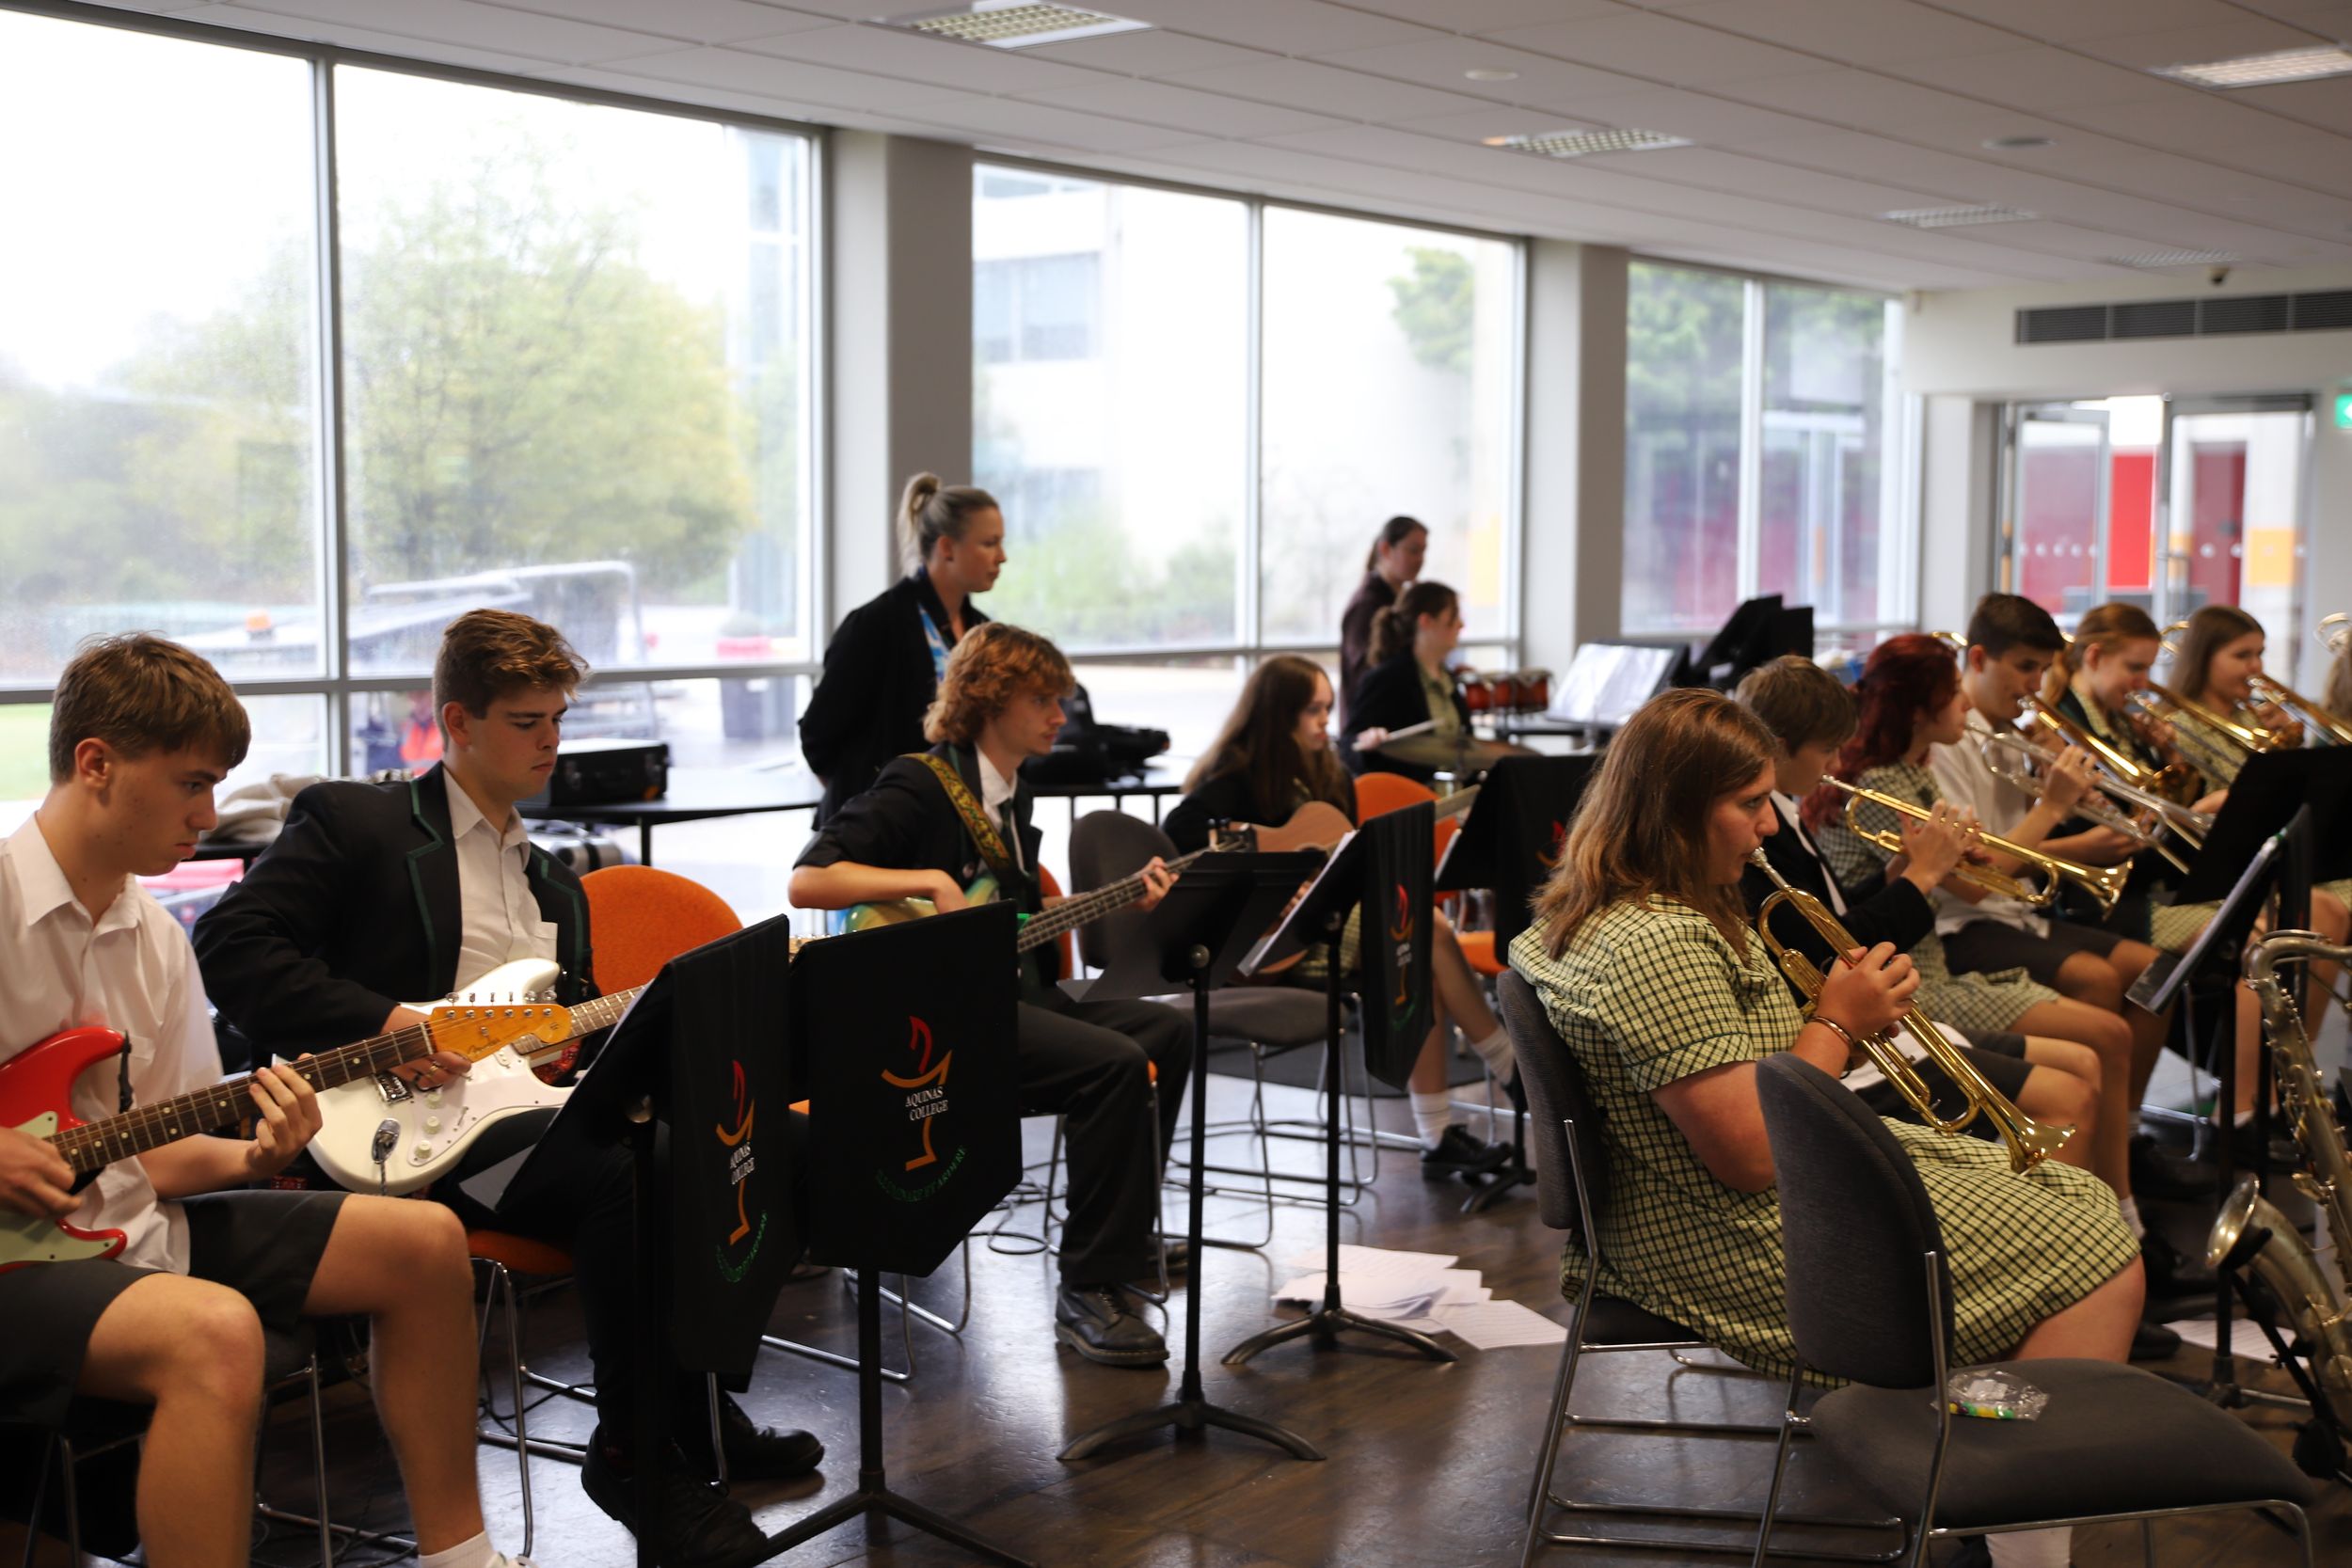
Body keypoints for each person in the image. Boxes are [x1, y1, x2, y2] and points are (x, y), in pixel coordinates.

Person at [196, 610, 814, 1568]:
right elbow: (229, 944)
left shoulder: (555, 883)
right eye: (526, 721)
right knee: (634, 1170)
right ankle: (636, 1458)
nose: (550, 740)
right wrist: (389, 1023)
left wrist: (574, 1052)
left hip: (520, 1121)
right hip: (398, 1133)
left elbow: (561, 1045)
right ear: (458, 720)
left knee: (755, 1139)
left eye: (557, 718)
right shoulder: (357, 822)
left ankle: (695, 1412)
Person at [1510, 688, 2141, 1568]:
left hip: (1743, 1197)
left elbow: (1749, 1077)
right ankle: (2013, 1529)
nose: (1769, 824)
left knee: (2069, 1193)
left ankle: (1977, 1463)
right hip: (1729, 1235)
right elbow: (1750, 1154)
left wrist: (1842, 1015)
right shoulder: (1654, 942)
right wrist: (1839, 1021)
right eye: (1747, 804)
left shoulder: (1622, 908)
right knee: (2094, 1248)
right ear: (1673, 810)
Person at [0, 634, 529, 1568]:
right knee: (216, 1331)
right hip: (16, 1261)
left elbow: (155, 1152)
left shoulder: (158, 938)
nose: (209, 815)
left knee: (424, 1241)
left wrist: (255, 1153)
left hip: (127, 1226)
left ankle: (463, 1558)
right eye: (191, 783)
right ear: (97, 763)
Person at [789, 622, 1192, 1367]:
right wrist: (931, 882)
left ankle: (1123, 1233)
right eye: (1043, 699)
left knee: (1167, 1031)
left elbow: (1015, 920)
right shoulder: (919, 782)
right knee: (1113, 1064)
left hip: (1011, 999)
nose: (1060, 715)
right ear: (988, 699)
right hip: (938, 1021)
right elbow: (809, 879)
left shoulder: (1011, 794)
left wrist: (1119, 897)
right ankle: (1088, 1288)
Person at [1805, 635, 2212, 1301]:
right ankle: (2089, 1254)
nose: (1966, 702)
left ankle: (2120, 1223)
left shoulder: (1917, 773)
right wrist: (2045, 811)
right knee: (2097, 1040)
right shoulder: (1882, 784)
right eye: (1953, 694)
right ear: (1920, 708)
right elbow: (1967, 888)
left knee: (2107, 1033)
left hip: (1933, 961)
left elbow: (1953, 874)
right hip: (1924, 975)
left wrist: (1955, 852)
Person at [1731, 657, 2105, 1177]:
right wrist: (1924, 876)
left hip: (1889, 1007)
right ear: (1777, 748)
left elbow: (1832, 915)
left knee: (2085, 1062)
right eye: (1827, 750)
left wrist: (1902, 870)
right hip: (1857, 1034)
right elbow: (1832, 950)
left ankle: (2114, 1206)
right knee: (2069, 1086)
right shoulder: (1763, 832)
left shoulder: (1784, 815)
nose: (1837, 764)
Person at [1164, 656, 1516, 1177]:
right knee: (1425, 929)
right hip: (1274, 942)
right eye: (1313, 709)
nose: (1325, 721)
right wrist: (1264, 885)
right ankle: (1509, 1069)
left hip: (1328, 920)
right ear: (1278, 712)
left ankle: (1440, 1135)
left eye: (1328, 708)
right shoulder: (1235, 778)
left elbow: (1344, 866)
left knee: (1416, 947)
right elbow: (1179, 835)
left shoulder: (1330, 775)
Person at [1928, 597, 2176, 1185]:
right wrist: (2056, 809)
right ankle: (2102, 1165)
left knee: (2157, 974)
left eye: (2042, 670)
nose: (2036, 686)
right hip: (1961, 922)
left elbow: (2020, 843)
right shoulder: (1948, 743)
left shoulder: (2008, 735)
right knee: (2098, 980)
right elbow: (1979, 875)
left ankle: (2124, 1128)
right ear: (1978, 659)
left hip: (2017, 913)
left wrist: (2057, 794)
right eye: (2024, 668)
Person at [801, 473, 1005, 823]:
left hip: (951, 820)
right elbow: (819, 734)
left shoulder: (982, 630)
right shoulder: (876, 623)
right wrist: (863, 801)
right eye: (989, 543)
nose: (1002, 557)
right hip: (877, 826)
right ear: (947, 548)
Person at [1341, 579, 1470, 784]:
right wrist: (1367, 741)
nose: (1461, 625)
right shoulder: (1387, 679)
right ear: (1426, 621)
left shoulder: (1447, 677)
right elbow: (1349, 745)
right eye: (1453, 616)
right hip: (1410, 797)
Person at [1338, 515, 1426, 727]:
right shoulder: (1365, 605)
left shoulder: (1400, 600)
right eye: (1413, 550)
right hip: (1371, 726)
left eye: (1423, 551)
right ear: (1386, 549)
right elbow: (1365, 676)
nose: (1420, 559)